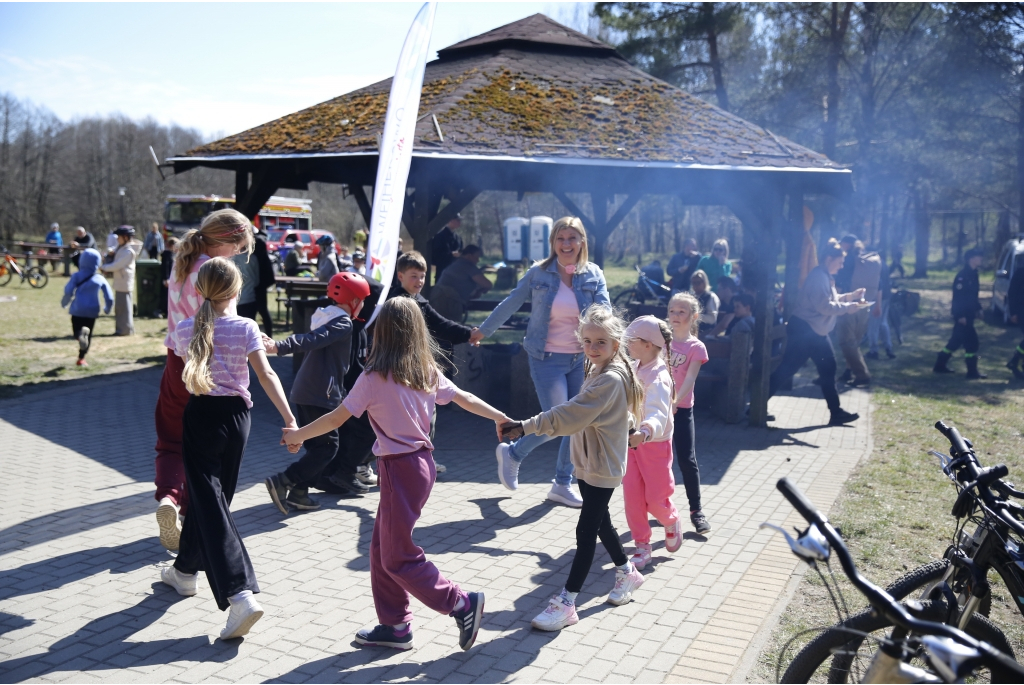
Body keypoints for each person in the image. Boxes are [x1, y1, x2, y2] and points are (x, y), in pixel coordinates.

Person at [282, 297, 507, 652]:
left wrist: (297, 435)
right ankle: (396, 626)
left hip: (401, 469)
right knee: (379, 550)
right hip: (416, 467)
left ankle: (460, 603)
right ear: (417, 332)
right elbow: (464, 398)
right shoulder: (425, 370)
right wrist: (500, 417)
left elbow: (337, 418)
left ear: (380, 333)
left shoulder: (374, 377)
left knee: (397, 556)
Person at [160, 257, 297, 641]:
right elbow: (266, 374)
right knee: (213, 501)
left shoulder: (184, 329)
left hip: (201, 415)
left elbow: (184, 372)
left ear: (199, 290)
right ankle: (185, 571)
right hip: (238, 420)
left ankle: (240, 594)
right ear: (238, 291)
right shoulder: (246, 327)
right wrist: (291, 421)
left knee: (209, 501)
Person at [501, 305, 646, 631]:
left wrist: (524, 426)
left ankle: (567, 602)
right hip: (590, 463)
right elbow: (618, 412)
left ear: (615, 344)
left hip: (602, 466)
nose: (593, 348)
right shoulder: (601, 369)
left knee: (585, 531)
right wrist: (627, 425)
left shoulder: (608, 378)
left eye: (600, 342)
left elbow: (569, 415)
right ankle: (627, 573)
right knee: (601, 523)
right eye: (587, 341)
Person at [479, 216, 611, 508]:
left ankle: (561, 484)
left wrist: (618, 350)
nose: (566, 244)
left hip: (581, 360)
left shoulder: (593, 274)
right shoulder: (538, 273)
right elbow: (511, 301)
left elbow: (606, 314)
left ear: (582, 243)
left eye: (572, 238)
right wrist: (483, 330)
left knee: (577, 424)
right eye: (561, 238)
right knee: (559, 423)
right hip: (546, 358)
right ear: (553, 242)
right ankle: (514, 453)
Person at [154, 209, 254, 552]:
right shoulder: (216, 276)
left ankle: (168, 496)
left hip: (175, 358)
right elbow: (230, 323)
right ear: (225, 241)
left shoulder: (184, 261)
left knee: (170, 440)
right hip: (210, 365)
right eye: (238, 248)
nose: (238, 255)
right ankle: (192, 518)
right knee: (204, 448)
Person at [264, 272, 368, 513]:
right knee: (328, 447)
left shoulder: (327, 317)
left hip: (308, 391)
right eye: (362, 300)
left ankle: (299, 493)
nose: (363, 305)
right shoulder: (342, 323)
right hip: (320, 394)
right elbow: (312, 339)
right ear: (353, 301)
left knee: (316, 446)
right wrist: (279, 346)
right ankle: (284, 480)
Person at [392, 251, 485, 474]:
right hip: (398, 371)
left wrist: (469, 333)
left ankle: (421, 461)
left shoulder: (419, 302)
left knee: (426, 415)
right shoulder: (395, 303)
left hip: (416, 370)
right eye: (414, 276)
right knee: (404, 419)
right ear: (400, 276)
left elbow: (440, 325)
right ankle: (367, 465)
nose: (419, 281)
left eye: (422, 276)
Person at [768, 239, 869, 425]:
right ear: (829, 258)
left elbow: (831, 298)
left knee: (824, 369)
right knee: (789, 369)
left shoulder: (824, 275)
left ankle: (836, 412)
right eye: (839, 262)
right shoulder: (818, 277)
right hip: (805, 331)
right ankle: (756, 405)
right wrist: (849, 307)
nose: (841, 266)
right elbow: (825, 306)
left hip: (812, 332)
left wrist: (851, 297)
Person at [622, 315, 680, 570]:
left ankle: (670, 519)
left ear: (648, 344)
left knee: (655, 499)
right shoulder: (633, 366)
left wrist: (644, 432)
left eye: (632, 341)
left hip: (653, 443)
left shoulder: (658, 376)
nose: (627, 344)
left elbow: (657, 411)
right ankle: (642, 545)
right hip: (630, 443)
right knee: (632, 496)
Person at [666, 292, 712, 535]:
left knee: (686, 459)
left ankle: (697, 511)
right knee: (660, 462)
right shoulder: (661, 339)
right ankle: (661, 507)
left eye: (681, 312)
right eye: (672, 310)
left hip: (682, 410)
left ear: (693, 316)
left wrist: (675, 401)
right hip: (657, 410)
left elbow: (690, 378)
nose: (675, 315)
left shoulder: (696, 347)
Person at [934, 249, 987, 378]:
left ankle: (940, 365)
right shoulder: (963, 276)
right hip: (963, 315)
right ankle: (972, 372)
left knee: (955, 341)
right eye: (978, 256)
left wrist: (978, 309)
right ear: (971, 259)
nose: (981, 259)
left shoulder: (974, 274)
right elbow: (958, 297)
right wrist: (959, 315)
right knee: (972, 342)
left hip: (969, 313)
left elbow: (973, 296)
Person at [61, 248, 114, 367]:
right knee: (88, 335)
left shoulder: (76, 276)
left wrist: (65, 302)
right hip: (92, 311)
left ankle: (79, 335)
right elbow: (109, 297)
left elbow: (68, 290)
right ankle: (81, 358)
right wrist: (107, 309)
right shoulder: (100, 278)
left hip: (77, 309)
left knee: (76, 330)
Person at [100, 226, 139, 336]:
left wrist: (104, 267)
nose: (117, 239)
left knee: (123, 308)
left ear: (126, 237)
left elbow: (117, 265)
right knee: (121, 308)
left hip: (124, 282)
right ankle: (123, 329)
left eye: (119, 237)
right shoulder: (123, 248)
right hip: (121, 282)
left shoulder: (128, 251)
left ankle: (124, 330)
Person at [866, 266, 895, 361]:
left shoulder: (872, 264)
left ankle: (874, 351)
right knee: (883, 323)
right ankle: (888, 348)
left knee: (873, 325)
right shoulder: (883, 263)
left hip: (878, 296)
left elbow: (878, 283)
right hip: (886, 295)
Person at [253, 227, 276, 336]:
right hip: (262, 281)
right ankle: (269, 335)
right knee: (263, 311)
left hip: (258, 282)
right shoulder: (261, 241)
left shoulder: (258, 243)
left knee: (258, 311)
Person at [431, 214, 464, 284]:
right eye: (458, 220)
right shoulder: (440, 236)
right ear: (450, 220)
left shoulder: (458, 238)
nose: (459, 222)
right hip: (443, 273)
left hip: (456, 272)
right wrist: (451, 254)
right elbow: (435, 256)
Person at [1005, 264, 1024, 380]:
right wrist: (1013, 312)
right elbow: (1012, 293)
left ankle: (1014, 361)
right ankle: (1015, 361)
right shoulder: (1020, 272)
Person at [690, 270, 719, 335]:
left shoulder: (711, 297)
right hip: (692, 330)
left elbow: (712, 319)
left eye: (698, 283)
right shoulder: (691, 297)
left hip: (706, 331)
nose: (695, 285)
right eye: (693, 283)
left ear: (704, 283)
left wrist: (695, 317)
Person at [160, 237, 178, 318]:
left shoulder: (170, 254)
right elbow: (165, 266)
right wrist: (166, 278)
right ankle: (164, 310)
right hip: (167, 278)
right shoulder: (166, 254)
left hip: (170, 278)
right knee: (165, 295)